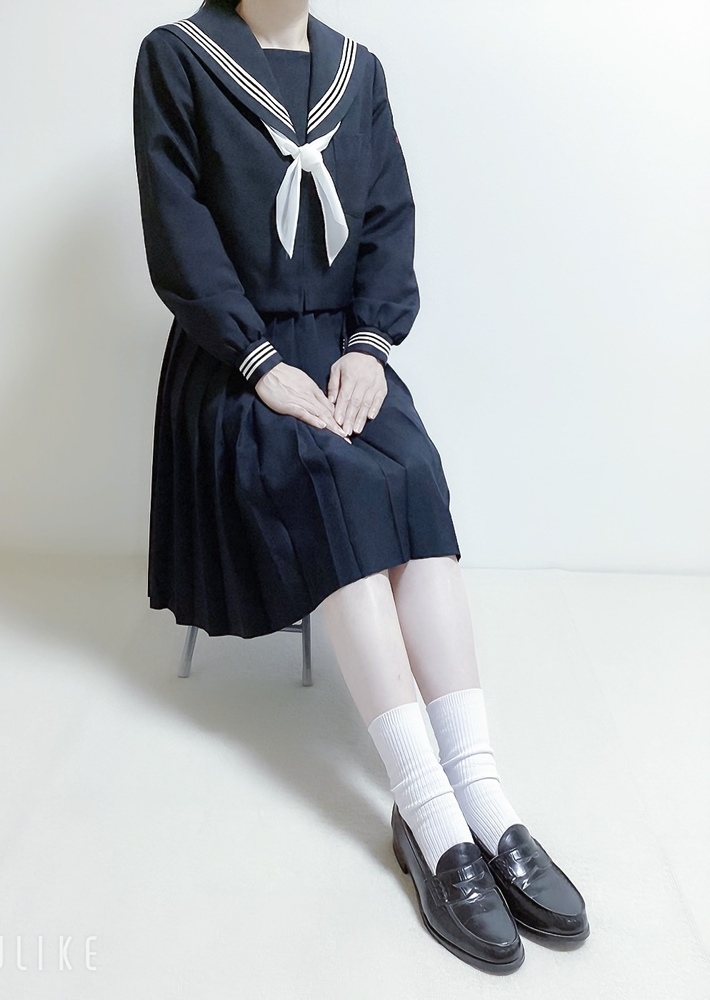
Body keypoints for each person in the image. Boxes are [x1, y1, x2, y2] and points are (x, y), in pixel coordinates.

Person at [132, 0, 589, 973]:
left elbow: (387, 216)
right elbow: (179, 231)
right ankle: (426, 814)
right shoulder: (177, 57)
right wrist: (258, 361)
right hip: (235, 362)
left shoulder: (358, 69)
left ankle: (482, 793)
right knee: (334, 480)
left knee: (415, 474)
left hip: (343, 351)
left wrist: (372, 346)